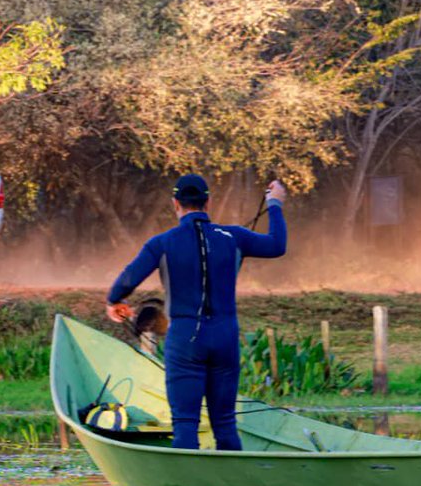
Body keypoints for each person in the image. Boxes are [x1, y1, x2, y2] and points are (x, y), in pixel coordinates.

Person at [106, 174, 288, 450]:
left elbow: (128, 279)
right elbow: (277, 245)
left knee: (185, 424)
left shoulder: (162, 243)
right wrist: (274, 203)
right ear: (208, 202)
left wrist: (114, 301)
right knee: (225, 424)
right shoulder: (234, 236)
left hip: (186, 339)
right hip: (225, 338)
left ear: (175, 203)